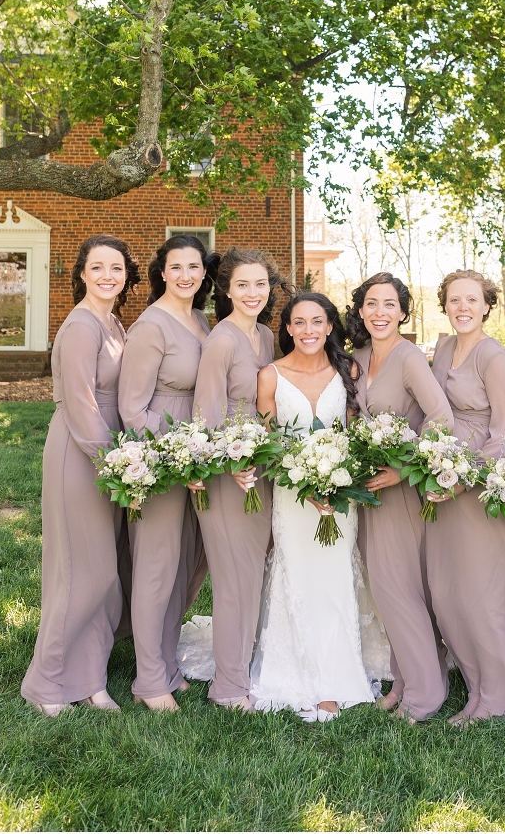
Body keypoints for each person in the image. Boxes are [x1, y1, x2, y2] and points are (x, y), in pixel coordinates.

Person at [250, 292, 388, 721]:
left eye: (317, 322)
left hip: (339, 495)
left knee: (333, 576)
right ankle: (292, 672)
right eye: (299, 322)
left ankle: (334, 678)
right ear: (288, 329)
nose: (308, 330)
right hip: (292, 497)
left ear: (330, 327)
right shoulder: (270, 376)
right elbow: (270, 446)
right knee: (297, 574)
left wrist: (338, 479)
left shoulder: (347, 371)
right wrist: (303, 482)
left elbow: (355, 436)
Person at [21, 235, 140, 715]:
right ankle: (47, 682)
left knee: (104, 574)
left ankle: (90, 680)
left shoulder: (112, 323)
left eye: (116, 267)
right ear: (82, 274)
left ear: (126, 275)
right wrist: (117, 466)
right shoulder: (79, 327)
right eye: (98, 267)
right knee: (79, 574)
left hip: (108, 452)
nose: (107, 275)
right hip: (81, 453)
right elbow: (81, 405)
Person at [426, 270, 505, 726]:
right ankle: (478, 689)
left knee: (482, 592)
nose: (463, 308)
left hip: (477, 485)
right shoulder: (443, 349)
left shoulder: (494, 357)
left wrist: (462, 477)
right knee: (448, 591)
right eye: (454, 300)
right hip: (440, 477)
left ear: (488, 305)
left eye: (472, 299)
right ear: (444, 305)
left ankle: (504, 695)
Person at [118, 235, 214, 711]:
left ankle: (167, 663)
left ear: (203, 272)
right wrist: (177, 453)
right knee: (156, 568)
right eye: (176, 267)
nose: (185, 275)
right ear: (162, 273)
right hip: (162, 459)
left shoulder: (201, 321)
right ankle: (149, 679)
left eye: (193, 266)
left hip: (199, 453)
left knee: (185, 565)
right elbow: (132, 408)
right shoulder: (150, 326)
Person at [351, 273, 452, 723]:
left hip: (400, 492)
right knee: (385, 590)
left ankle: (425, 694)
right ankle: (404, 680)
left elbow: (441, 417)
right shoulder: (358, 358)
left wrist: (404, 468)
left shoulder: (409, 357)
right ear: (360, 311)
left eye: (389, 304)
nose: (380, 312)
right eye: (371, 304)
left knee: (400, 590)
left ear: (403, 312)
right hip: (367, 491)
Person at [190, 247, 286, 710]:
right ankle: (228, 687)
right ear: (226, 290)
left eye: (260, 284)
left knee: (252, 575)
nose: (252, 293)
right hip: (227, 474)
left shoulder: (265, 336)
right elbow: (205, 414)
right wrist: (227, 463)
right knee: (234, 579)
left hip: (261, 468)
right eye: (243, 285)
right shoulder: (222, 341)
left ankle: (243, 666)